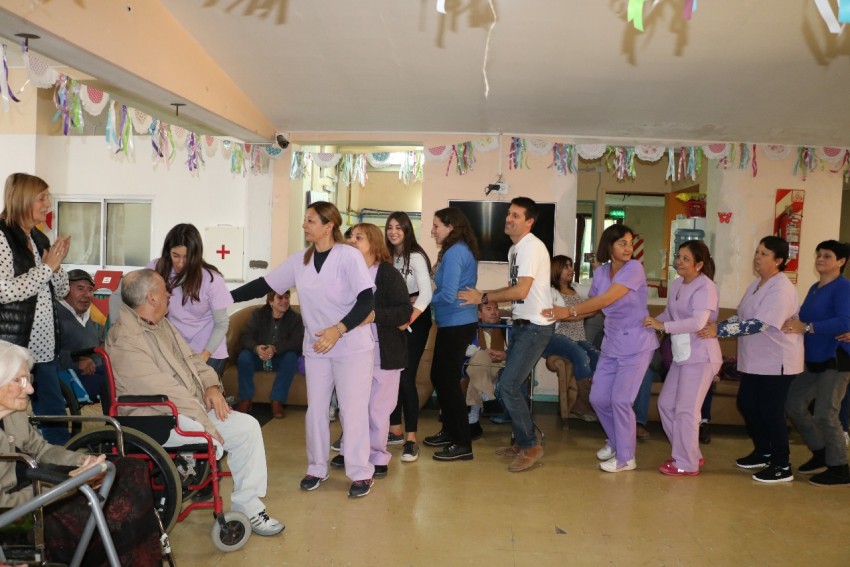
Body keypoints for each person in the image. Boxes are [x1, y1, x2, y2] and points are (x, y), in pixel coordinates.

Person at [106, 269, 284, 535]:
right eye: (165, 290)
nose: (169, 293)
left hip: (186, 409)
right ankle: (185, 470)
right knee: (214, 439)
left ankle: (248, 504)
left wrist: (212, 387)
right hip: (155, 416)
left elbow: (193, 361)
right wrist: (206, 425)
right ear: (152, 298)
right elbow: (165, 393)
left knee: (247, 427)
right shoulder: (126, 339)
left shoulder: (161, 324)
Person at [230, 201, 376, 498]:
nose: (304, 225)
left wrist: (338, 329)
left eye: (310, 220)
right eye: (305, 219)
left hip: (351, 347)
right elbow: (262, 285)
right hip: (317, 348)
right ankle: (316, 467)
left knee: (352, 411)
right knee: (316, 411)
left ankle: (361, 472)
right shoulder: (300, 261)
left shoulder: (348, 256)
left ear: (329, 225)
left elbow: (366, 302)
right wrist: (220, 296)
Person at [0, 340, 161, 565]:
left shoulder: (11, 414)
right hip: (15, 517)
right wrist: (65, 486)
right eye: (20, 380)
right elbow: (5, 503)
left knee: (130, 469)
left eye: (29, 379)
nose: (30, 389)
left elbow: (40, 449)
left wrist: (83, 460)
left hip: (36, 483)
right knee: (111, 510)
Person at [548, 224, 658, 473]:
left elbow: (607, 299)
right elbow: (594, 306)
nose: (628, 247)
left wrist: (568, 311)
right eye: (622, 243)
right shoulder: (602, 272)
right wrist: (561, 316)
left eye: (630, 243)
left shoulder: (634, 269)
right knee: (598, 398)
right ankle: (616, 441)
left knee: (621, 400)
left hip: (637, 344)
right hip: (612, 343)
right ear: (609, 246)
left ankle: (626, 458)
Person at [459, 197, 554, 473]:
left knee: (507, 386)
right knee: (513, 385)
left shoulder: (531, 247)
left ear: (529, 222)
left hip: (535, 326)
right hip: (522, 324)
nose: (508, 218)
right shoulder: (516, 250)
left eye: (515, 215)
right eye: (508, 214)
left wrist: (484, 296)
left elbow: (521, 291)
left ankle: (530, 446)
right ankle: (520, 440)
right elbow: (518, 292)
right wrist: (485, 299)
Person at [697, 235, 803, 483]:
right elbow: (742, 316)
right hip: (755, 360)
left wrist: (720, 331)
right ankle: (763, 451)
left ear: (778, 260)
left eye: (764, 254)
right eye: (757, 251)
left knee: (771, 411)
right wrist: (719, 325)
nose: (757, 257)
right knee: (747, 404)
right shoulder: (757, 285)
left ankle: (781, 464)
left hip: (778, 361)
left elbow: (759, 324)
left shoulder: (782, 289)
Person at [331, 224, 411, 479]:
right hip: (352, 352)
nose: (352, 241)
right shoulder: (343, 274)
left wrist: (374, 316)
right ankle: (351, 451)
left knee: (377, 409)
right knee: (351, 406)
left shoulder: (387, 275)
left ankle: (377, 456)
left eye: (359, 237)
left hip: (384, 354)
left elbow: (403, 311)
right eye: (350, 237)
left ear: (374, 244)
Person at [0, 173, 71, 445]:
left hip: (43, 350)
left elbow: (62, 290)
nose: (48, 204)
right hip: (12, 348)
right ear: (23, 200)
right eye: (42, 198)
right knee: (11, 422)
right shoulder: (3, 235)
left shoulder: (39, 238)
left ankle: (63, 476)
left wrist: (57, 262)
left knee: (55, 418)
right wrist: (46, 269)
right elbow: (4, 291)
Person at [644, 240, 721, 476]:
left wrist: (663, 325)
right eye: (679, 257)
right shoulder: (677, 284)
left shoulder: (705, 287)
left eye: (686, 259)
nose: (679, 262)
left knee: (687, 410)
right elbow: (670, 313)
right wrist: (651, 323)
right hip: (682, 354)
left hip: (701, 356)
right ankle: (690, 454)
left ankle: (686, 463)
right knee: (666, 404)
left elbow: (698, 323)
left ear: (699, 264)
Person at [782, 240, 850, 486]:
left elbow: (844, 322)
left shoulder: (843, 288)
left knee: (825, 414)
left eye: (827, 256)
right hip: (812, 358)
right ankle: (822, 453)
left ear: (841, 262)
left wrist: (808, 327)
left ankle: (840, 467)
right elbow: (802, 318)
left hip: (836, 358)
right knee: (793, 405)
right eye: (818, 254)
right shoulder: (814, 287)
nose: (820, 259)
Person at [423, 207, 479, 462]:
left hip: (457, 323)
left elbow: (447, 294)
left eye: (436, 226)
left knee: (447, 381)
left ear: (451, 227)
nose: (433, 231)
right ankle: (449, 431)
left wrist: (421, 300)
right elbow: (448, 293)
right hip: (451, 323)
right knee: (440, 376)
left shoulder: (456, 252)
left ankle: (462, 442)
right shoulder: (452, 251)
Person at [149, 223, 232, 376]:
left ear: (196, 254)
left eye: (186, 257)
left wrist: (204, 356)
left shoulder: (212, 279)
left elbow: (221, 324)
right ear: (168, 252)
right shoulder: (157, 268)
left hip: (208, 350)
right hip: (176, 348)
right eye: (175, 256)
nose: (180, 263)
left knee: (201, 397)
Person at [385, 211, 433, 463]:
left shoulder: (415, 256)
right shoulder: (385, 256)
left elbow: (426, 294)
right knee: (392, 374)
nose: (393, 231)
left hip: (416, 318)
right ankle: (394, 430)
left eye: (399, 228)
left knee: (405, 376)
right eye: (390, 227)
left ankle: (411, 440)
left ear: (407, 231)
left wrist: (409, 317)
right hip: (396, 317)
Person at [542, 255, 600, 421]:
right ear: (556, 269)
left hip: (578, 338)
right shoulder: (549, 292)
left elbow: (597, 293)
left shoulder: (576, 288)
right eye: (566, 266)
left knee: (597, 356)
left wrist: (596, 267)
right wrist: (583, 313)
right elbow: (557, 317)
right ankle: (583, 404)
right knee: (581, 355)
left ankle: (593, 403)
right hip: (556, 337)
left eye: (571, 266)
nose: (571, 269)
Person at [235, 289, 304, 418]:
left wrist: (275, 348)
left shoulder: (295, 318)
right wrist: (256, 348)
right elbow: (246, 337)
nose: (285, 301)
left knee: (291, 357)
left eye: (287, 297)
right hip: (258, 357)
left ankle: (277, 401)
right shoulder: (257, 315)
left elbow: (297, 342)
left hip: (279, 358)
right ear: (271, 301)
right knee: (244, 356)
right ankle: (245, 399)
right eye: (280, 298)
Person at [56, 269, 108, 411]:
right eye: (80, 288)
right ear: (65, 290)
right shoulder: (54, 314)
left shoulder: (89, 317)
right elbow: (46, 354)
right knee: (118, 384)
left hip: (96, 371)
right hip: (71, 377)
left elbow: (97, 346)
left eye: (90, 290)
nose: (86, 295)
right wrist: (77, 362)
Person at [465, 302, 508, 439]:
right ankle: (488, 396)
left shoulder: (506, 327)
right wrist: (484, 351)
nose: (494, 312)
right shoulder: (471, 328)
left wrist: (502, 353)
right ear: (479, 314)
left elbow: (515, 349)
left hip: (500, 365)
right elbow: (464, 350)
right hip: (477, 364)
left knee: (477, 374)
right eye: (488, 309)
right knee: (480, 357)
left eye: (496, 308)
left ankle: (473, 418)